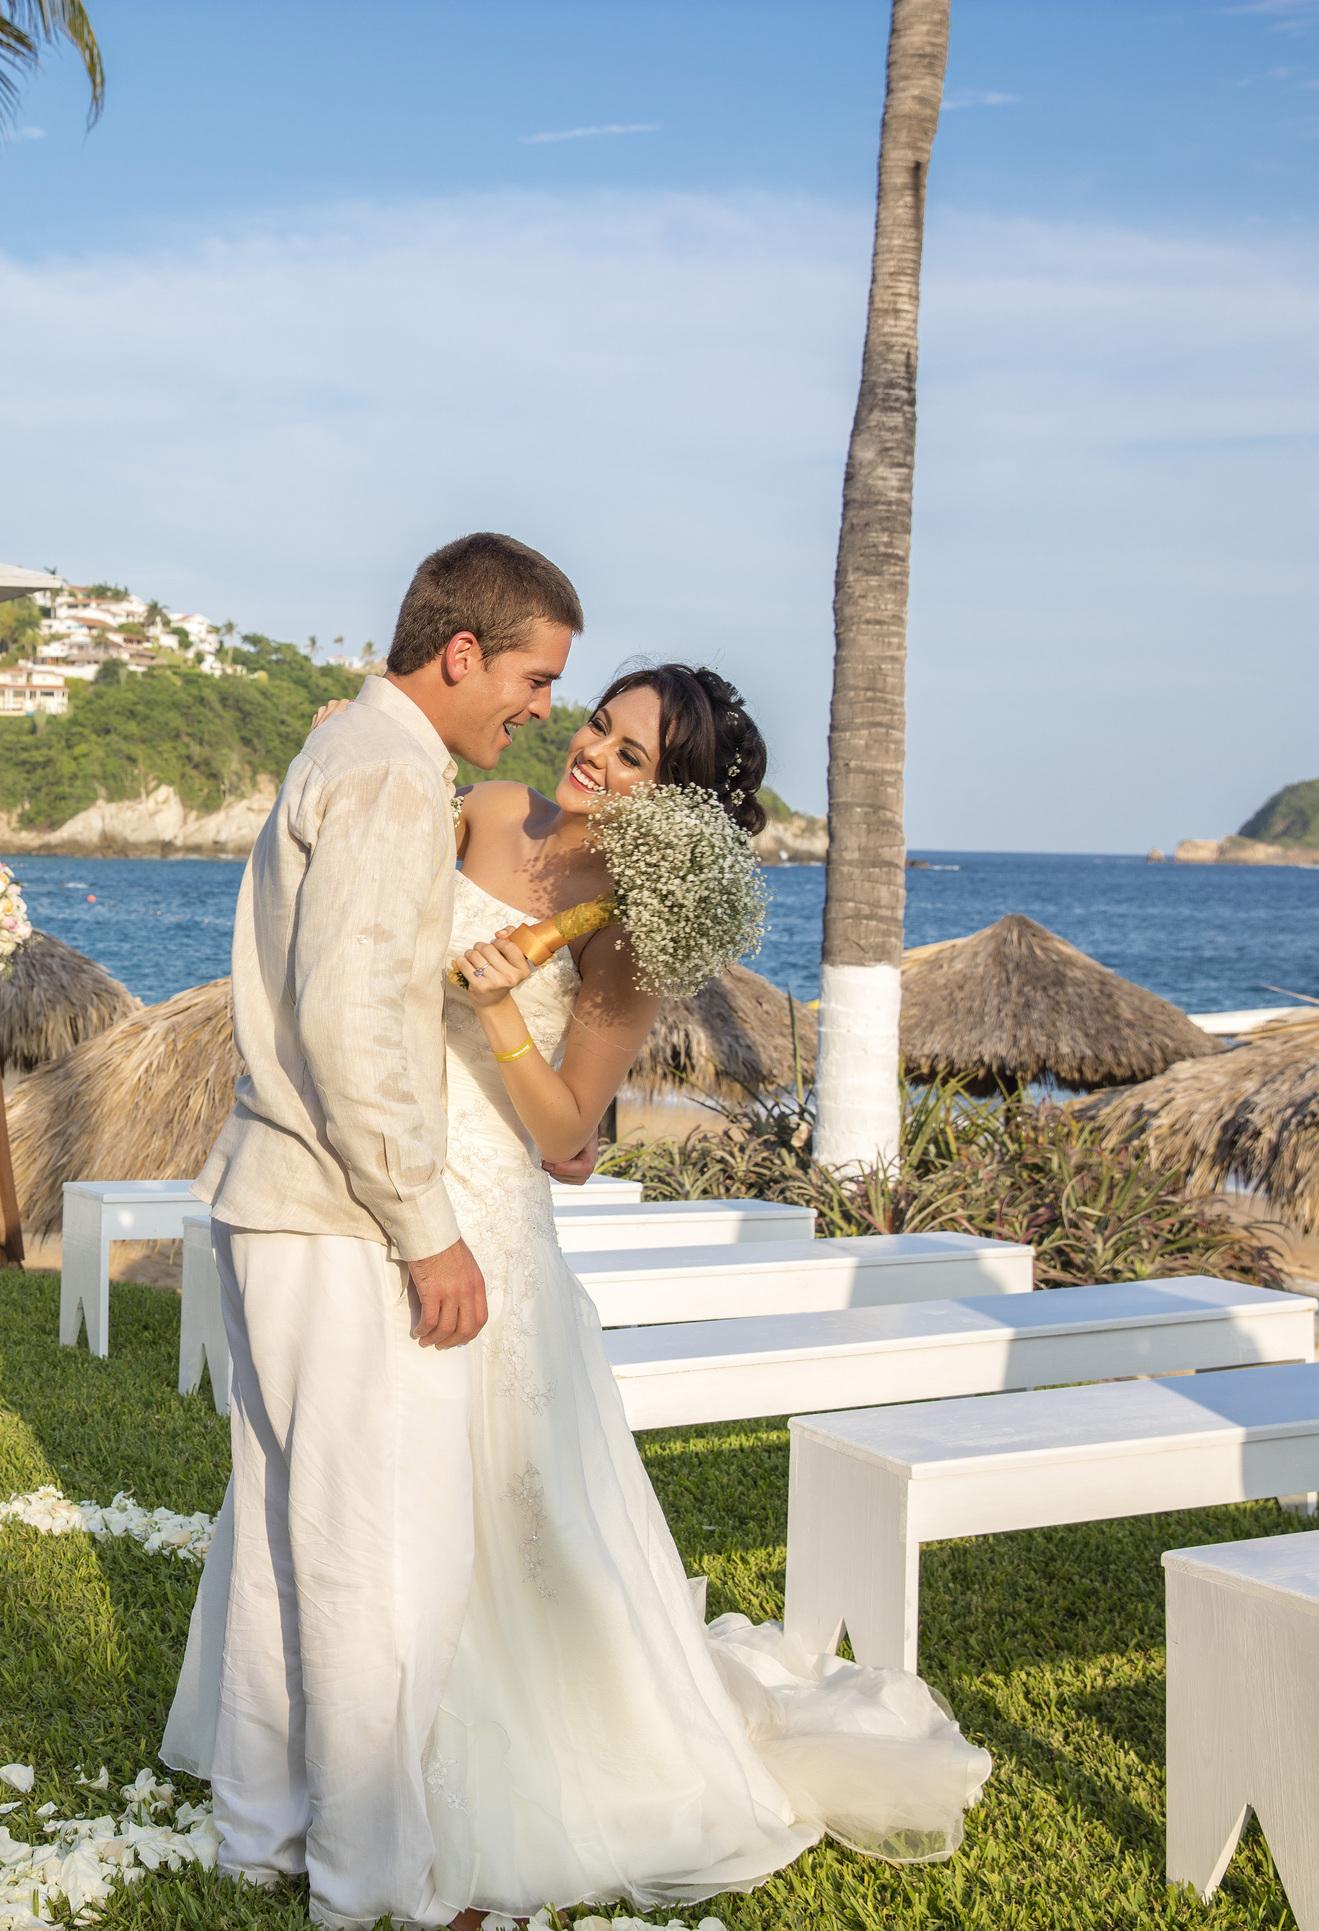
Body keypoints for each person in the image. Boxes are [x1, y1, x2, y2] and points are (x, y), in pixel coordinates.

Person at [429, 662, 992, 1920]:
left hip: (489, 1207)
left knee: (500, 1503)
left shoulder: (633, 926)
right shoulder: (485, 813)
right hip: (395, 1185)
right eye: (598, 728)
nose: (595, 758)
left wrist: (502, 1014)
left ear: (673, 801)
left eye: (634, 759)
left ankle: (494, 1769)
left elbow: (571, 1137)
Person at [161, 532, 583, 1929]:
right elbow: (352, 1024)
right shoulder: (399, 775)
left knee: (297, 1536)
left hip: (269, 1201)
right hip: (340, 1217)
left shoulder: (343, 743)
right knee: (378, 1558)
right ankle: (374, 1887)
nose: (540, 707)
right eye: (532, 675)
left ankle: (263, 1834)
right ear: (462, 653)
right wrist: (425, 1226)